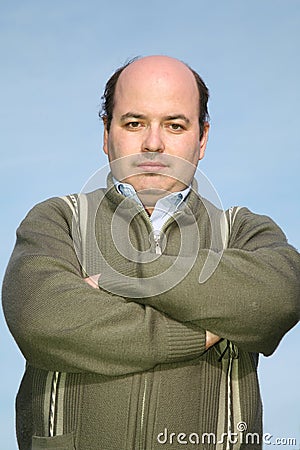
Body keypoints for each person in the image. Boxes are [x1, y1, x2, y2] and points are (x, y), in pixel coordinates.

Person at [2, 55, 299, 450]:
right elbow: (41, 317)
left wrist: (121, 277)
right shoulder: (58, 220)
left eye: (175, 125)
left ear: (202, 138)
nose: (153, 143)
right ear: (106, 134)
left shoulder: (242, 230)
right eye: (134, 123)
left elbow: (281, 294)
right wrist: (199, 332)